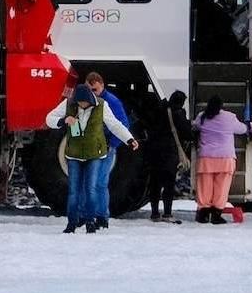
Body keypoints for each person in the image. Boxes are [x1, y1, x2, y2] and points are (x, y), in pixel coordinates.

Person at [60, 70, 138, 234]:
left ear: (102, 85)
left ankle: (101, 216)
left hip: (105, 147)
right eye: (90, 90)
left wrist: (113, 143)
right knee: (90, 184)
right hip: (92, 147)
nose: (92, 94)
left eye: (94, 90)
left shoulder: (110, 102)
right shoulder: (92, 102)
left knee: (98, 184)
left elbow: (120, 123)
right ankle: (88, 215)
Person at [191, 96, 248, 224]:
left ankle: (203, 214)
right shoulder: (229, 117)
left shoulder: (202, 116)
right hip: (225, 158)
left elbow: (194, 126)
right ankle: (216, 214)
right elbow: (242, 129)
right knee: (221, 188)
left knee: (204, 187)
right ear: (222, 105)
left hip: (206, 158)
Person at [138, 89, 192, 223]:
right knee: (168, 184)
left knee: (155, 184)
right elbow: (186, 132)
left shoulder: (157, 110)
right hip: (169, 152)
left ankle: (155, 213)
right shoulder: (177, 112)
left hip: (153, 151)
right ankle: (167, 213)